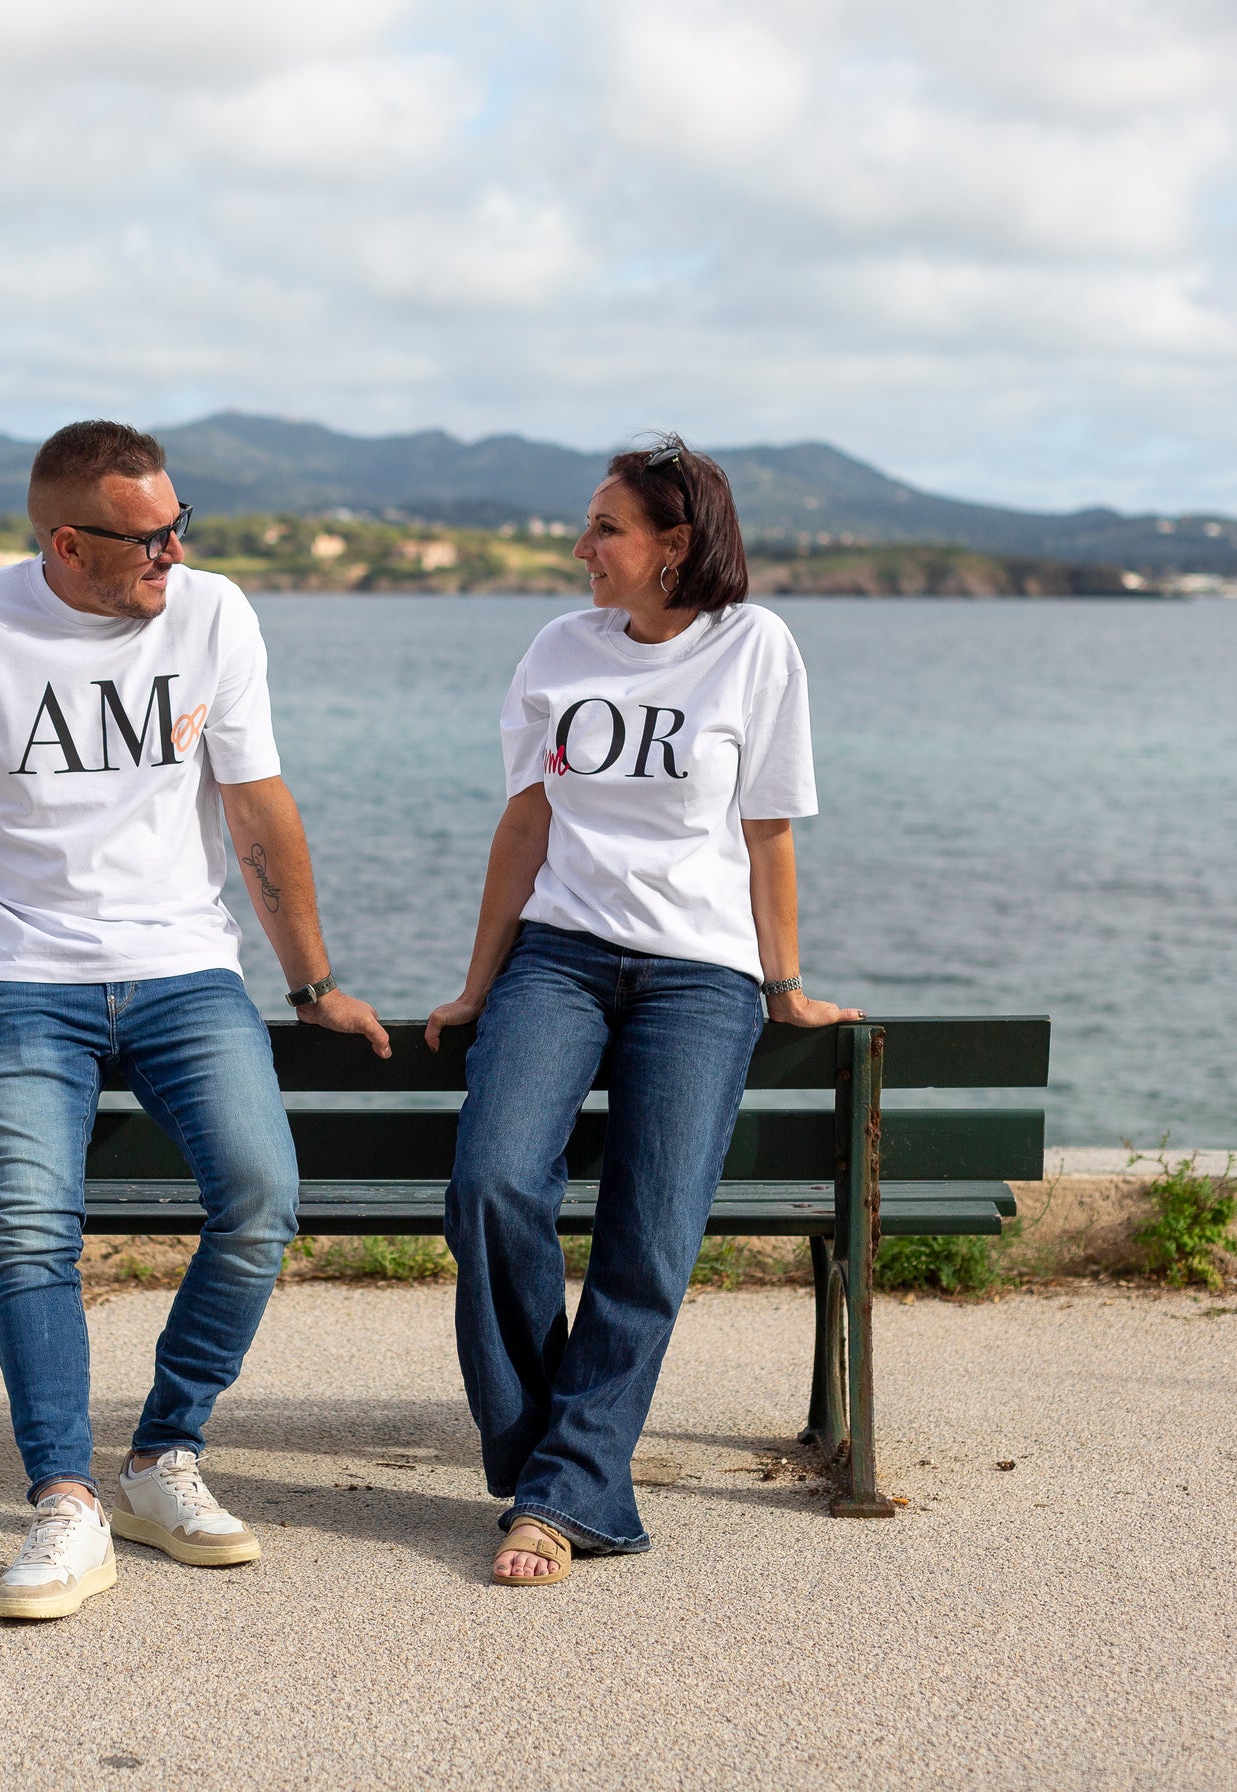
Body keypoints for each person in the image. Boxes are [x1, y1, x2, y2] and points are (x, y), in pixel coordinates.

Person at [0, 420, 388, 1622]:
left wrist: (313, 984)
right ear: (66, 543)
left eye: (178, 525)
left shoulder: (214, 615)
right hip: (24, 983)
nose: (173, 553)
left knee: (261, 1195)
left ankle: (163, 1457)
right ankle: (64, 1499)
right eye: (146, 538)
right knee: (29, 1226)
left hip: (185, 973)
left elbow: (257, 807)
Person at [424, 435, 861, 1587]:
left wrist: (783, 985)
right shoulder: (557, 649)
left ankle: (561, 1492)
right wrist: (479, 980)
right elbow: (526, 823)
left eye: (605, 528)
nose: (583, 547)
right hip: (559, 959)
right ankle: (554, 1463)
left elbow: (768, 831)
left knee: (650, 1230)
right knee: (492, 1183)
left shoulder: (754, 647)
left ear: (675, 545)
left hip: (699, 976)